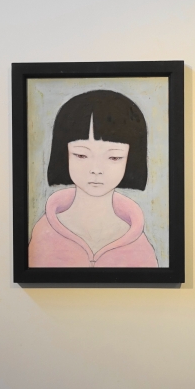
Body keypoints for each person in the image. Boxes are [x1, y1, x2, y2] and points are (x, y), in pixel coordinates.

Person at [28, 89, 159, 267]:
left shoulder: (140, 248)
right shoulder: (44, 235)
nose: (96, 169)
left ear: (131, 159)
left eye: (114, 157)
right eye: (81, 155)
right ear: (64, 154)